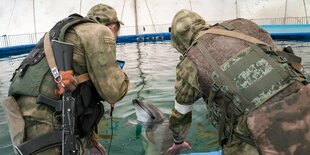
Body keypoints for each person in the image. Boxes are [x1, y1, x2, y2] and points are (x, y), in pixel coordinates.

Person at [167, 9, 310, 155]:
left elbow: (181, 113)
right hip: (303, 100)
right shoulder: (242, 25)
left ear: (179, 42)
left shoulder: (189, 62)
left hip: (254, 132)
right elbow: (279, 57)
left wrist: (178, 141)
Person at [2, 3, 129, 155]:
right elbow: (113, 92)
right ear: (113, 27)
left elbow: (75, 93)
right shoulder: (100, 32)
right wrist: (120, 75)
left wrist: (90, 141)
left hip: (20, 118)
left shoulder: (65, 30)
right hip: (45, 124)